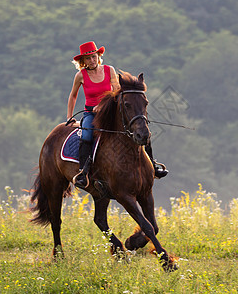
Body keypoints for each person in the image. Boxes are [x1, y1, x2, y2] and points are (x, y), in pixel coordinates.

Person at [67, 41, 168, 189]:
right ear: (83, 61)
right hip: (91, 113)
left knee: (142, 129)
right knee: (87, 135)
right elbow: (73, 96)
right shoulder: (80, 76)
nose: (92, 60)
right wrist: (69, 117)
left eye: (94, 56)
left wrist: (102, 105)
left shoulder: (109, 70)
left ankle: (153, 165)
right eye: (88, 58)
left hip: (109, 110)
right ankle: (84, 172)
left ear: (98, 56)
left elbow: (116, 91)